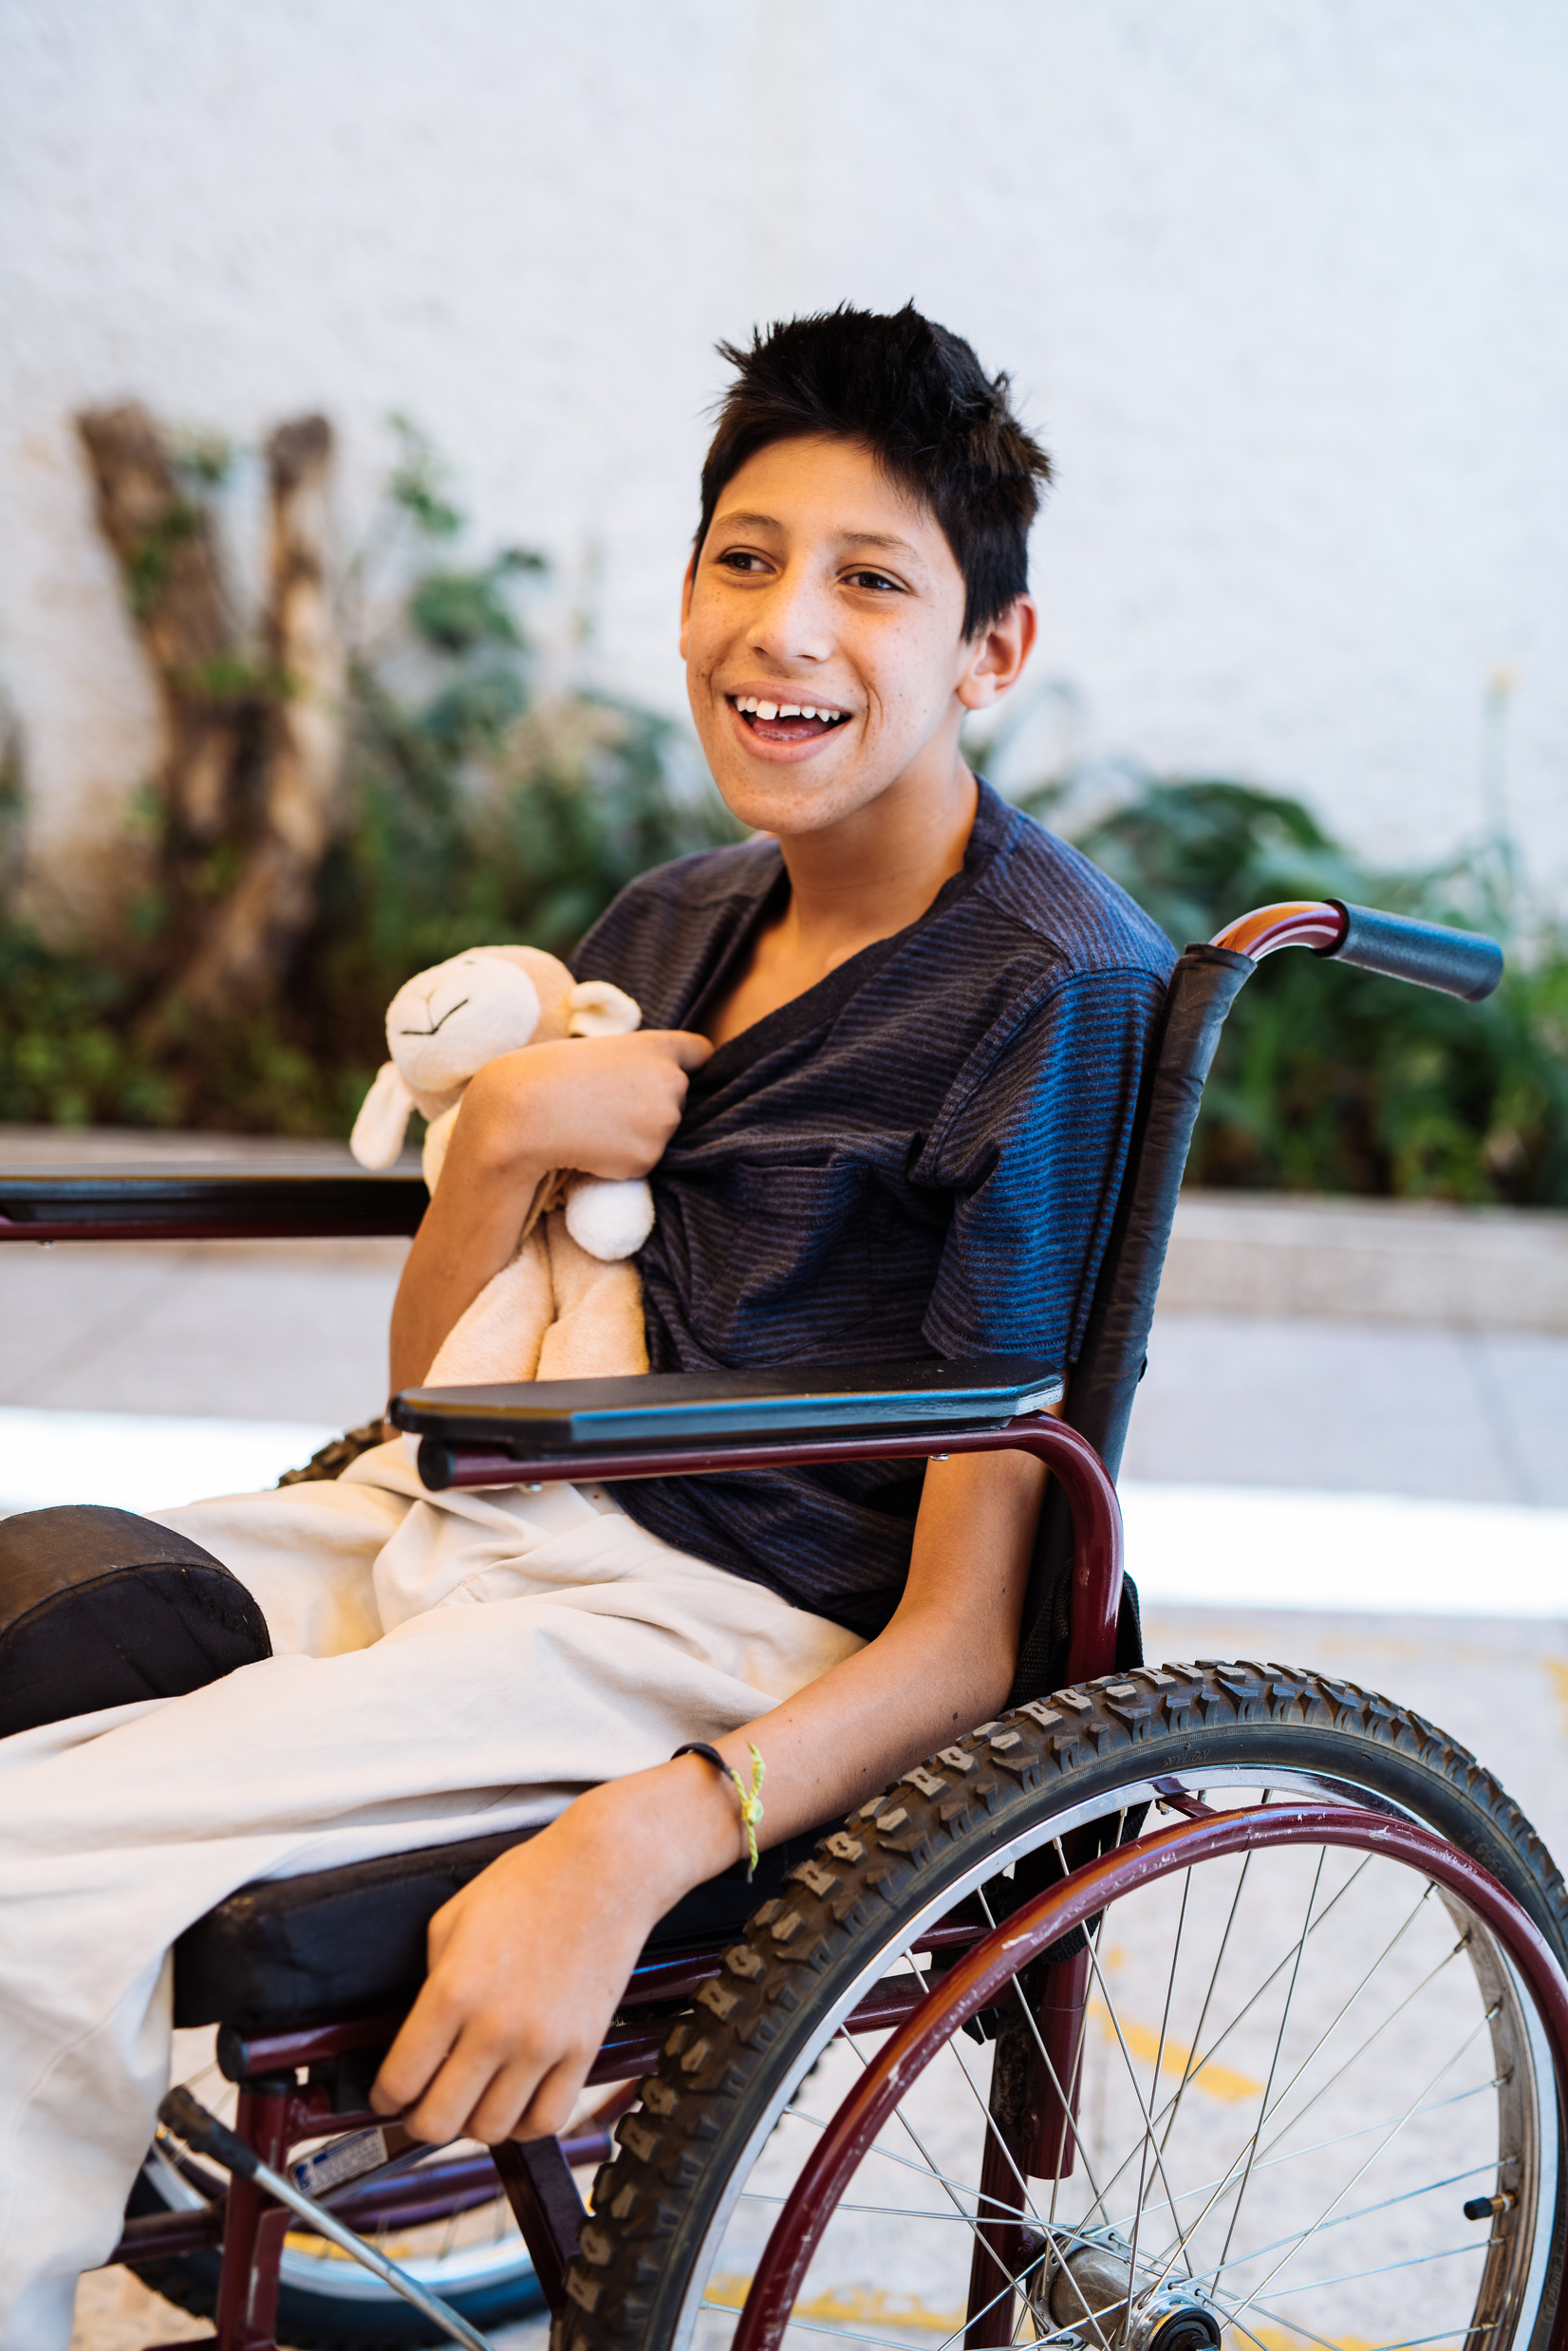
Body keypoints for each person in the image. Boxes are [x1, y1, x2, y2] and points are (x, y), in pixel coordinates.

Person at [0, 305, 1173, 2348]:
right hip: (456, 1510)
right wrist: (498, 1152)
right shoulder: (668, 920)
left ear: (992, 652)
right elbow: (425, 1392)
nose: (781, 628)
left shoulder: (1047, 991)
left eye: (868, 579)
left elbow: (969, 1640)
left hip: (702, 1627)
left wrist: (648, 1841)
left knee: (26, 1881)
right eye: (742, 556)